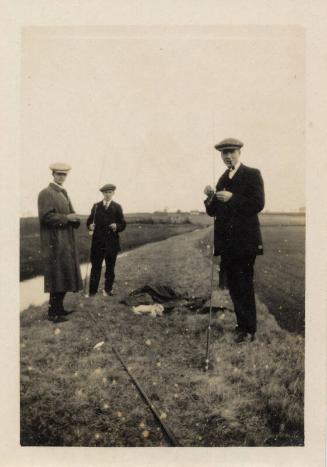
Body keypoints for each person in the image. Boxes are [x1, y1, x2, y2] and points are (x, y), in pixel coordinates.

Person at [204, 138, 265, 342]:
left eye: (231, 152)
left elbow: (258, 203)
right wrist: (210, 197)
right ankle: (242, 327)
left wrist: (232, 198)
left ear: (239, 152)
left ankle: (249, 330)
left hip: (245, 241)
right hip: (227, 244)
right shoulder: (222, 179)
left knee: (243, 284)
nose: (227, 156)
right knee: (234, 285)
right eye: (224, 153)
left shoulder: (252, 174)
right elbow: (212, 211)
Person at [38, 163, 83, 322]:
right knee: (57, 275)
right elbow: (46, 217)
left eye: (64, 175)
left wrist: (75, 219)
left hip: (66, 241)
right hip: (54, 242)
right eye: (58, 174)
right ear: (53, 174)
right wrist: (67, 218)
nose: (61, 177)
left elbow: (68, 214)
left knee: (63, 274)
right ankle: (53, 313)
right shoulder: (46, 193)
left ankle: (59, 309)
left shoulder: (63, 192)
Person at [87, 184, 126, 296]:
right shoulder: (96, 206)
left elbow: (123, 224)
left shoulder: (117, 207)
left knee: (110, 268)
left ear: (113, 193)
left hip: (111, 244)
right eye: (105, 192)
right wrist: (90, 226)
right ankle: (92, 292)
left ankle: (108, 290)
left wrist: (117, 226)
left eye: (110, 192)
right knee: (95, 268)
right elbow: (89, 221)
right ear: (102, 194)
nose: (107, 194)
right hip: (97, 244)